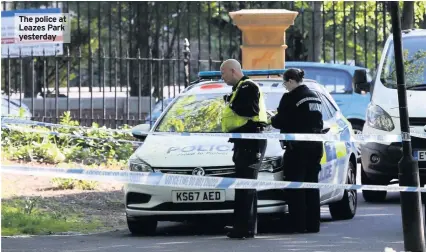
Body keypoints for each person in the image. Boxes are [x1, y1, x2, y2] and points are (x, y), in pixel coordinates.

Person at [270, 68, 324, 233]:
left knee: (296, 187)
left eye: (285, 83)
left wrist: (272, 118)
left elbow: (280, 121)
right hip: (315, 147)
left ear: (291, 81)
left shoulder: (290, 97)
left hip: (297, 149)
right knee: (311, 186)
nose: (284, 86)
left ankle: (298, 224)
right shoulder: (314, 96)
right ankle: (313, 224)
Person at [220, 59, 268, 239]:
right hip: (244, 141)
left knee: (245, 185)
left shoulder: (247, 87)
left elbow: (249, 110)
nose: (222, 77)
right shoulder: (240, 88)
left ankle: (243, 228)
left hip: (250, 140)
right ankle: (244, 226)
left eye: (223, 73)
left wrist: (230, 104)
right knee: (243, 185)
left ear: (233, 71)